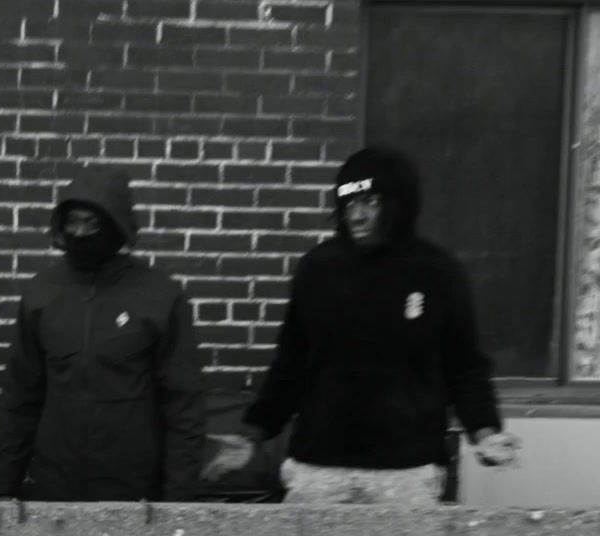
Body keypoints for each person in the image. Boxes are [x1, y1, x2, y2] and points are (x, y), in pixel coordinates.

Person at [203, 144, 519, 502]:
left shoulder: (436, 272)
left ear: (398, 206)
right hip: (319, 470)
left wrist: (484, 431)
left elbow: (465, 367)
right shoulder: (317, 270)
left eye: (371, 202)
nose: (358, 215)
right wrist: (253, 434)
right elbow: (290, 366)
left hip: (407, 473)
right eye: (350, 203)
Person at [0, 167, 207, 502]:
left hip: (136, 493)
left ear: (115, 224)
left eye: (92, 223)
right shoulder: (42, 294)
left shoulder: (160, 296)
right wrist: (5, 489)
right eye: (73, 221)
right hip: (56, 488)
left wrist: (178, 503)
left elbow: (184, 406)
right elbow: (20, 399)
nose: (79, 232)